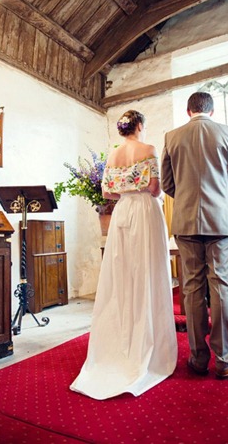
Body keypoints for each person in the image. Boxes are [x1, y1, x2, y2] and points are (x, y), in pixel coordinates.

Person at [71, 110, 177, 400]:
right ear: (140, 125)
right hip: (144, 211)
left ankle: (121, 342)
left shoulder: (114, 154)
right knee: (147, 271)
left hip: (122, 213)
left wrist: (126, 191)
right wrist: (139, 188)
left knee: (122, 275)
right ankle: (145, 342)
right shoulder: (149, 149)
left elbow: (107, 192)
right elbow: (155, 189)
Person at [161, 91, 228, 379]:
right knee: (222, 285)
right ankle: (224, 359)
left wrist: (187, 198)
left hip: (185, 220)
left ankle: (198, 359)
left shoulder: (171, 137)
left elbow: (167, 183)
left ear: (188, 111)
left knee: (192, 286)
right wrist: (221, 197)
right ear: (211, 110)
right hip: (220, 220)